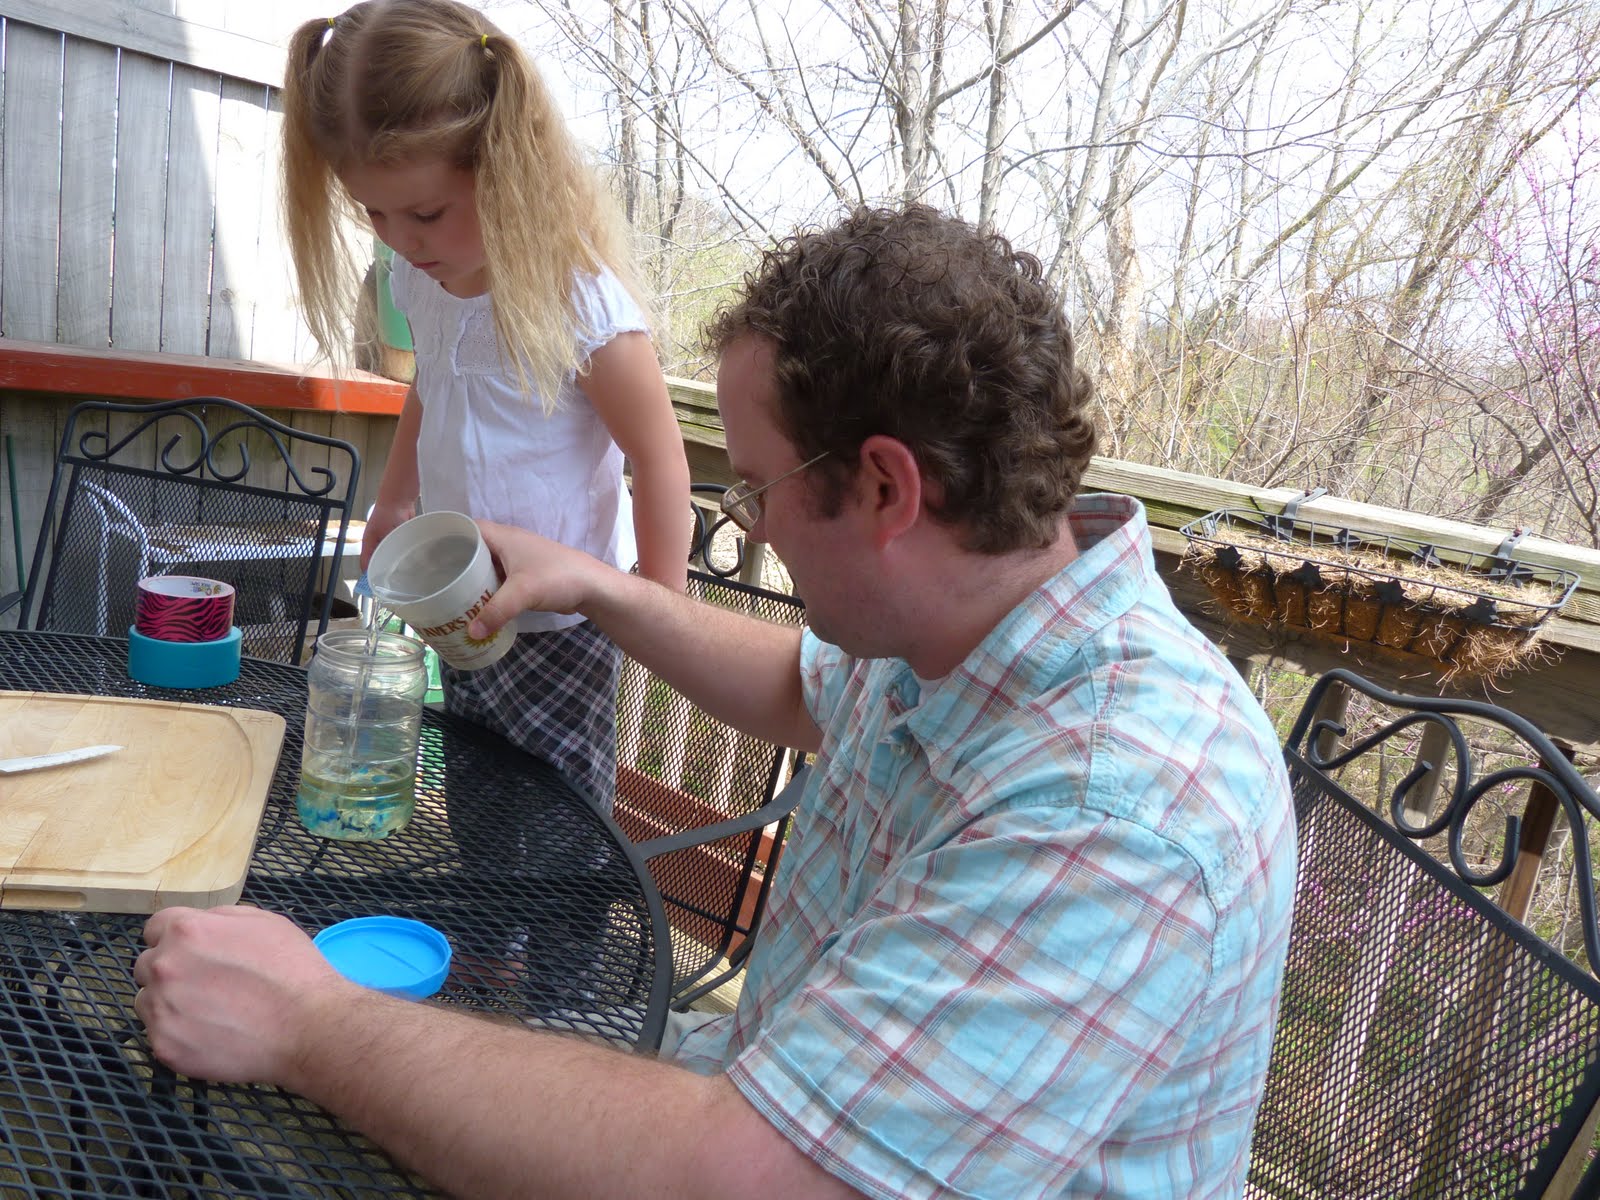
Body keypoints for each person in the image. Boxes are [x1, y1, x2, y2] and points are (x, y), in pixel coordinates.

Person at [136, 204, 1297, 1199]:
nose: (747, 524)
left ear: (885, 485)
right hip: (752, 1075)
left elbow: (749, 1178)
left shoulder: (1113, 811)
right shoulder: (976, 626)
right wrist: (597, 584)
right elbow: (802, 685)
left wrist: (309, 1024)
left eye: (757, 484)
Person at [282, 0, 690, 806]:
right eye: (373, 211)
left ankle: (567, 939)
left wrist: (664, 616)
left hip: (565, 624)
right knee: (476, 795)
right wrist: (395, 498)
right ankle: (487, 939)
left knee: (561, 821)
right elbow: (430, 389)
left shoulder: (580, 305)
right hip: (459, 600)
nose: (401, 237)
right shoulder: (421, 284)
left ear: (506, 172)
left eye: (426, 212)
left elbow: (659, 457)